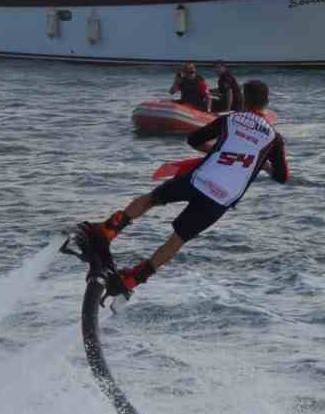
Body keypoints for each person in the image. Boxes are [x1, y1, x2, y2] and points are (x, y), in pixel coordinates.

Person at [78, 80, 289, 297]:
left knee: (152, 199)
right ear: (266, 102)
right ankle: (132, 280)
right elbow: (282, 177)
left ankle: (107, 231)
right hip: (221, 198)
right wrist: (262, 164)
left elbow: (193, 140)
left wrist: (214, 151)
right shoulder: (274, 138)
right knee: (177, 239)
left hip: (199, 180)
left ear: (243, 98)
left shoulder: (231, 119)